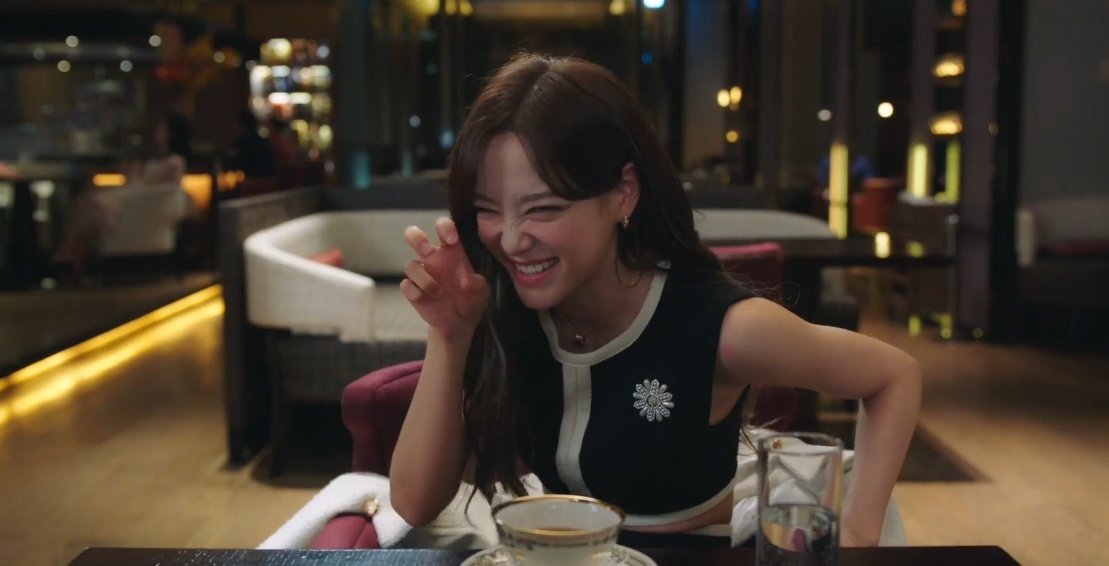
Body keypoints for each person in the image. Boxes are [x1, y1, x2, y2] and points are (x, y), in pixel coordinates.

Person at [390, 54, 921, 549]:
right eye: (487, 209)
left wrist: (858, 533)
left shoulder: (721, 327)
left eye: (543, 209)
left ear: (623, 192)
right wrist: (449, 335)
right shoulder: (503, 306)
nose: (509, 240)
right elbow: (414, 503)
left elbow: (893, 375)